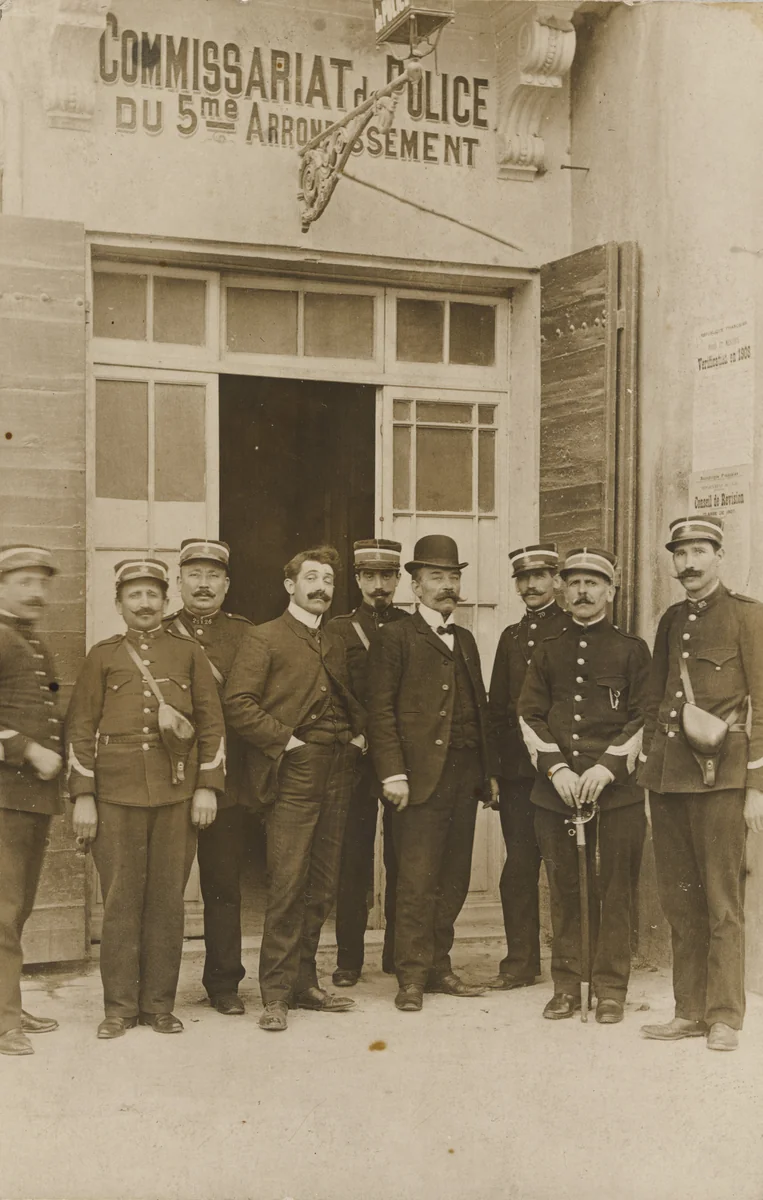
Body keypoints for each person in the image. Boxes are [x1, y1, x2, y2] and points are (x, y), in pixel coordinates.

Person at [67, 558, 226, 1039]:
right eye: (133, 595)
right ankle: (118, 1008)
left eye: (152, 594)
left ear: (165, 600)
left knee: (166, 904)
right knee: (119, 903)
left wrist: (206, 786)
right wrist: (84, 796)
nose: (144, 602)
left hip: (176, 794)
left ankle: (158, 1005)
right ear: (119, 604)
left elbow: (212, 724)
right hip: (115, 797)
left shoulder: (189, 654)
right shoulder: (102, 656)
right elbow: (79, 729)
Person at [224, 545, 366, 1033]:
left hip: (338, 770)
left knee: (322, 883)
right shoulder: (263, 638)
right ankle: (275, 995)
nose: (321, 586)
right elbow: (239, 704)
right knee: (287, 884)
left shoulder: (334, 640)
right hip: (295, 772)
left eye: (328, 579)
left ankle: (305, 983)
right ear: (290, 586)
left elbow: (345, 697)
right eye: (311, 577)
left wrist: (354, 734)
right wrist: (288, 741)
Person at [638, 516, 763, 1052]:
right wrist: (649, 768)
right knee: (680, 901)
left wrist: (756, 787)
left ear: (719, 555)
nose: (688, 563)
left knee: (721, 901)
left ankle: (725, 1017)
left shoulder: (747, 617)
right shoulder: (670, 620)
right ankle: (688, 1010)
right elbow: (654, 698)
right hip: (669, 780)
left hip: (723, 779)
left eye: (698, 551)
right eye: (680, 553)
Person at [367, 534, 499, 1013]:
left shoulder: (463, 639)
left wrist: (490, 774)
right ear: (416, 586)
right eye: (437, 578)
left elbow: (478, 709)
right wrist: (392, 774)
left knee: (454, 877)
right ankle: (412, 976)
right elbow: (379, 712)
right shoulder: (395, 638)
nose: (448, 586)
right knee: (417, 881)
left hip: (464, 776)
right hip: (416, 780)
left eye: (454, 577)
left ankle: (440, 965)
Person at [518, 548, 650, 1024]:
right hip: (557, 794)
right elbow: (529, 715)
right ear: (561, 590)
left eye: (592, 583)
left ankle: (611, 988)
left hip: (616, 795)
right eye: (573, 583)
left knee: (615, 890)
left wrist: (607, 768)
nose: (582, 591)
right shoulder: (547, 650)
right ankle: (568, 986)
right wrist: (558, 770)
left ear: (610, 592)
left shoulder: (633, 650)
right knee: (565, 889)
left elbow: (644, 715)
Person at [167, 538, 252, 1016]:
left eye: (213, 576)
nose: (203, 584)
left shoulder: (246, 635)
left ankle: (224, 984)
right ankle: (156, 988)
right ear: (178, 582)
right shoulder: (160, 633)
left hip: (226, 780)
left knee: (223, 884)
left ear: (227, 584)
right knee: (163, 887)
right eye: (194, 575)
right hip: (168, 780)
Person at [486, 542, 568, 991]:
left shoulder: (573, 630)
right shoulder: (511, 638)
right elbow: (498, 707)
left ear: (556, 580)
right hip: (520, 775)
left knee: (564, 868)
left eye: (540, 576)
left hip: (563, 773)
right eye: (523, 578)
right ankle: (521, 962)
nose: (531, 585)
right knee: (518, 867)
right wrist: (494, 770)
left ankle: (573, 964)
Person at [329, 538, 409, 988]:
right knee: (351, 858)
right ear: (357, 580)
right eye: (370, 577)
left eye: (387, 576)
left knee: (404, 856)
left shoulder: (412, 627)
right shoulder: (339, 630)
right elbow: (332, 690)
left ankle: (398, 952)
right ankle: (348, 958)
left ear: (398, 579)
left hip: (401, 759)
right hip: (356, 759)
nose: (379, 586)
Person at [0, 546, 63, 1057]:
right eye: (23, 582)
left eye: (41, 583)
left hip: (31, 800)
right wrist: (25, 749)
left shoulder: (28, 640)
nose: (36, 593)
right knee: (2, 912)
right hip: (4, 797)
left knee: (15, 911)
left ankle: (7, 1005)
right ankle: (3, 1023)